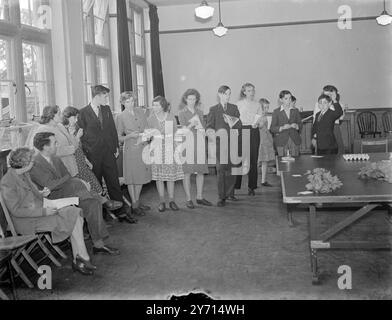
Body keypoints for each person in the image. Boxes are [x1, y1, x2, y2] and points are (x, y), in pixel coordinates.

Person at [0, 148, 96, 275]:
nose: (34, 163)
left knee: (75, 212)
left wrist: (41, 193)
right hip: (26, 220)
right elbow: (16, 211)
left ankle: (80, 258)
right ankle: (81, 258)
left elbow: (30, 196)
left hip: (41, 209)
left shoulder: (24, 174)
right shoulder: (7, 182)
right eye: (32, 161)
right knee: (73, 217)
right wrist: (44, 212)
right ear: (24, 163)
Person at [29, 132, 120, 256]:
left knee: (92, 204)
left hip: (69, 192)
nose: (57, 144)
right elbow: (50, 185)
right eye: (54, 142)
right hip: (51, 198)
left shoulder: (55, 159)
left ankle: (99, 245)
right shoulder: (35, 163)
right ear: (45, 147)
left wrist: (66, 181)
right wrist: (69, 181)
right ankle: (103, 200)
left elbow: (67, 175)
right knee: (76, 182)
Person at [78, 85, 136, 224]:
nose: (107, 99)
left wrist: (116, 146)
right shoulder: (83, 112)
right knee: (97, 186)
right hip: (93, 156)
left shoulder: (106, 109)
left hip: (109, 152)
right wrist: (87, 153)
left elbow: (111, 129)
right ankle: (102, 216)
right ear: (97, 96)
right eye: (105, 96)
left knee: (113, 183)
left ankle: (121, 213)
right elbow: (81, 136)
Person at [116, 92, 152, 216]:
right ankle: (134, 203)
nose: (130, 104)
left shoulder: (140, 112)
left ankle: (136, 202)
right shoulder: (120, 116)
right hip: (130, 149)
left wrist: (147, 136)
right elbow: (119, 137)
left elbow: (147, 128)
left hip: (142, 147)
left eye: (132, 101)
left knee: (140, 176)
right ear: (122, 103)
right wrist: (130, 135)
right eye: (127, 102)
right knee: (132, 177)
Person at [147, 96, 184, 212]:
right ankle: (162, 201)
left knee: (170, 177)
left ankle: (172, 200)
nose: (154, 107)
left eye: (157, 105)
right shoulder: (151, 118)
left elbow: (174, 133)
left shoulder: (171, 117)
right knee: (159, 177)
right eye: (153, 105)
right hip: (156, 149)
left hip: (169, 148)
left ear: (163, 106)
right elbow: (148, 134)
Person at [206, 86, 242, 207]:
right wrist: (210, 132)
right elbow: (209, 126)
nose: (228, 96)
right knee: (221, 169)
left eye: (229, 94)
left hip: (233, 143)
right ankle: (222, 197)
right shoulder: (213, 109)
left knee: (232, 169)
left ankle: (230, 193)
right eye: (226, 94)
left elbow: (239, 125)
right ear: (220, 94)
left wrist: (231, 122)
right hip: (220, 143)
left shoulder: (234, 108)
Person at [178, 89, 212, 208]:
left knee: (200, 171)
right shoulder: (182, 112)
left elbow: (203, 127)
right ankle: (188, 199)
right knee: (187, 172)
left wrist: (205, 131)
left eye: (194, 99)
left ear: (197, 99)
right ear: (185, 99)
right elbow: (182, 130)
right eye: (190, 99)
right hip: (187, 143)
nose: (192, 101)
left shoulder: (200, 112)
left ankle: (199, 197)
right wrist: (191, 124)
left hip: (200, 143)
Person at [28, 105, 78, 177]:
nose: (61, 116)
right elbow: (51, 151)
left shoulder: (60, 126)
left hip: (70, 165)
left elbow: (72, 142)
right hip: (58, 168)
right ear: (52, 116)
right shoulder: (43, 130)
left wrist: (72, 136)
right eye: (59, 114)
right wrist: (72, 149)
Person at [234, 83, 261, 196]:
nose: (252, 92)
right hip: (242, 130)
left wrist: (257, 123)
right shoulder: (238, 104)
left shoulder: (257, 104)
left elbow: (260, 117)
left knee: (253, 159)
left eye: (253, 90)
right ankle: (235, 186)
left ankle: (252, 187)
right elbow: (235, 119)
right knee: (239, 159)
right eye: (249, 90)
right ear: (244, 92)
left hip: (254, 130)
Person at [313, 85, 345, 154]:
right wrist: (314, 137)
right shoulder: (318, 113)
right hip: (320, 139)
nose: (322, 104)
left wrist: (334, 100)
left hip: (332, 132)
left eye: (329, 94)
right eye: (325, 93)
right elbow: (315, 124)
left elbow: (339, 114)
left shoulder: (336, 105)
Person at [270, 90, 302, 157]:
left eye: (290, 98)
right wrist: (282, 127)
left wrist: (297, 126)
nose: (289, 100)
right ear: (281, 100)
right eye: (286, 98)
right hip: (281, 140)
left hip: (294, 140)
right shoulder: (276, 112)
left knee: (295, 162)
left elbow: (300, 125)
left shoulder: (295, 110)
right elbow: (272, 128)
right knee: (282, 163)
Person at [257, 99, 275, 187]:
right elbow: (259, 126)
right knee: (257, 160)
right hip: (260, 141)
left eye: (268, 107)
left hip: (266, 139)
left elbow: (265, 128)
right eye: (264, 108)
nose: (266, 110)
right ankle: (253, 181)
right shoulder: (258, 116)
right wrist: (260, 121)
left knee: (265, 160)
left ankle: (263, 180)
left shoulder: (265, 116)